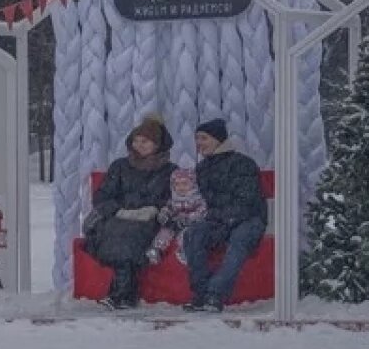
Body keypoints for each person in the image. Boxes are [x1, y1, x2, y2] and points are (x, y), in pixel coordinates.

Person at [83, 114, 176, 309]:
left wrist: (153, 210)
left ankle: (120, 295)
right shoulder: (120, 166)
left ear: (157, 145)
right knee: (116, 233)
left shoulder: (170, 171)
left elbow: (174, 200)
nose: (139, 145)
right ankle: (124, 295)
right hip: (117, 217)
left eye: (145, 141)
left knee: (130, 235)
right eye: (136, 140)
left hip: (149, 221)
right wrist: (120, 211)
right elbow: (103, 196)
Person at [183, 118, 267, 312]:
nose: (199, 143)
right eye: (197, 139)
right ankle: (201, 293)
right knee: (194, 234)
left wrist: (222, 215)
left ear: (218, 139)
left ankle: (215, 294)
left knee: (239, 240)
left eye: (204, 138)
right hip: (218, 219)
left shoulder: (243, 163)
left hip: (249, 218)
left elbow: (247, 200)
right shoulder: (202, 168)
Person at [146, 168, 207, 265]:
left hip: (189, 224)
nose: (180, 187)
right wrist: (164, 214)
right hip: (175, 223)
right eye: (177, 184)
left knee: (185, 235)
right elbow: (168, 208)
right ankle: (157, 249)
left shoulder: (197, 199)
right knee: (164, 232)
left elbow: (202, 211)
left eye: (184, 184)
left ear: (193, 185)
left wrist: (190, 217)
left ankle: (184, 251)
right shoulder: (174, 199)